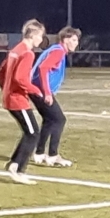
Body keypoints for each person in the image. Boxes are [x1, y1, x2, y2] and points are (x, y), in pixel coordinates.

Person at [0, 18, 45, 183]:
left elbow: (0, 73)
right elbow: (20, 78)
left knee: (30, 132)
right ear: (33, 35)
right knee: (33, 133)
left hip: (10, 97)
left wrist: (5, 88)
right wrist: (36, 91)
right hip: (17, 99)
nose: (41, 39)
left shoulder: (15, 50)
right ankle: (18, 169)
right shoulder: (27, 53)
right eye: (40, 36)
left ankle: (14, 164)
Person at [30, 26, 81, 167]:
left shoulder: (55, 50)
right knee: (59, 120)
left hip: (35, 90)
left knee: (49, 120)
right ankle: (53, 155)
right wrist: (47, 92)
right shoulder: (58, 51)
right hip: (40, 90)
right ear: (65, 40)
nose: (76, 43)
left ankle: (39, 153)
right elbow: (43, 68)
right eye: (74, 40)